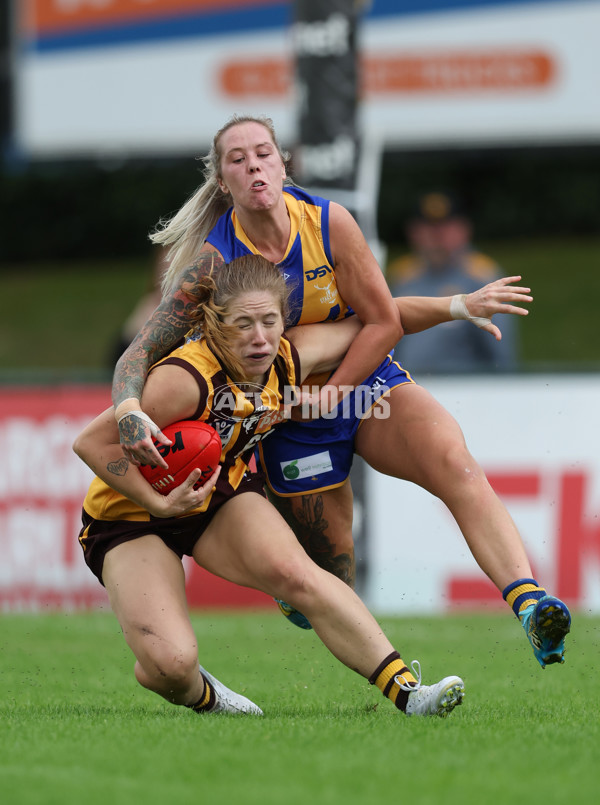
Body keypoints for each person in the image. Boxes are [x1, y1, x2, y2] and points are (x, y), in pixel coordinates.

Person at [111, 114, 571, 670]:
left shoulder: (330, 223)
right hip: (284, 415)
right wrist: (130, 406)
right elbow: (140, 352)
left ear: (284, 163)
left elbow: (382, 322)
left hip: (364, 386)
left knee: (455, 463)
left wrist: (351, 383)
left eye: (263, 153)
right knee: (332, 577)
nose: (254, 164)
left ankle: (530, 604)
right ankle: (308, 591)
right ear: (222, 181)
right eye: (238, 158)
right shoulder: (212, 263)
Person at [73, 254, 465, 717]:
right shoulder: (184, 379)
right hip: (130, 518)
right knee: (170, 664)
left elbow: (382, 316)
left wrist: (459, 305)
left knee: (300, 575)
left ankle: (409, 692)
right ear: (216, 326)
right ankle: (200, 691)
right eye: (243, 324)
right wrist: (158, 502)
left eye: (269, 321)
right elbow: (91, 442)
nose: (259, 338)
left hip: (219, 496)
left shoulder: (289, 355)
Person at [387, 191, 517, 373]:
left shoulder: (482, 278)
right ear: (413, 233)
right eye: (429, 229)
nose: (436, 237)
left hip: (464, 392)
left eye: (445, 228)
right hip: (406, 387)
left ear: (464, 230)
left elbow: (500, 355)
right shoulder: (402, 276)